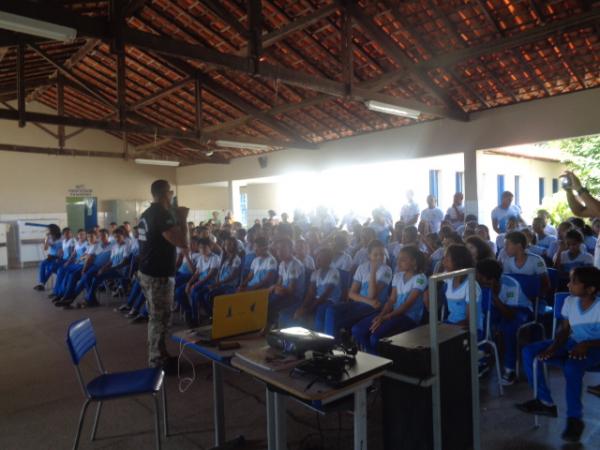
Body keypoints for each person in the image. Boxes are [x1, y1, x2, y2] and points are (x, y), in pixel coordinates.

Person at [517, 267, 600, 443]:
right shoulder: (570, 301)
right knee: (530, 352)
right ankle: (545, 402)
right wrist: (552, 348)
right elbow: (564, 331)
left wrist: (586, 344)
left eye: (574, 282)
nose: (568, 284)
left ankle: (574, 419)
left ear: (591, 289)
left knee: (572, 367)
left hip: (595, 348)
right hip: (571, 343)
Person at [137, 179, 189, 371]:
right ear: (165, 194)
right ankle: (157, 361)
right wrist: (182, 219)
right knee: (160, 319)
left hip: (147, 271)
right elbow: (183, 242)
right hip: (158, 275)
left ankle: (159, 354)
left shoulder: (147, 214)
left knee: (156, 317)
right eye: (171, 192)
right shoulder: (161, 214)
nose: (172, 195)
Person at [352, 246, 427, 354]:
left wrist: (385, 317)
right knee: (357, 330)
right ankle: (370, 356)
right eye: (398, 258)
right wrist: (381, 315)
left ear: (414, 262)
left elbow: (406, 305)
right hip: (393, 314)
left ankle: (378, 363)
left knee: (375, 337)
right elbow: (392, 300)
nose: (398, 262)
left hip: (408, 317)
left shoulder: (420, 278)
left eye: (403, 259)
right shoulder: (398, 276)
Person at [476, 258, 531, 385]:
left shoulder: (511, 285)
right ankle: (483, 361)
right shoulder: (480, 285)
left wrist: (494, 296)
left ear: (488, 278)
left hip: (519, 310)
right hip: (499, 309)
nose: (476, 276)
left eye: (479, 274)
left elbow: (510, 314)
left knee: (508, 329)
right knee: (482, 322)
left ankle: (509, 369)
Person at [322, 240, 392, 338]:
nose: (379, 257)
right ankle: (329, 343)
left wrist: (373, 271)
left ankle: (332, 345)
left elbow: (372, 295)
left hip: (374, 307)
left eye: (382, 254)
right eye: (375, 255)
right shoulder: (362, 267)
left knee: (337, 321)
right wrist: (368, 301)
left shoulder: (386, 270)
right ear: (369, 255)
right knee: (330, 310)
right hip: (364, 303)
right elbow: (351, 293)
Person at [440, 244, 483, 337]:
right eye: (444, 259)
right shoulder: (448, 279)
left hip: (470, 330)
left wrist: (447, 330)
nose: (443, 262)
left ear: (458, 262)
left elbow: (469, 322)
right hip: (451, 324)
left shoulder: (471, 285)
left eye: (447, 260)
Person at [292, 247, 341, 330]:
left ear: (328, 260)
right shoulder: (315, 273)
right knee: (298, 311)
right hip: (318, 300)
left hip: (330, 301)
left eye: (321, 258)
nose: (317, 260)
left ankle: (320, 339)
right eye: (317, 257)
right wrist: (302, 307)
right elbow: (310, 293)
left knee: (320, 312)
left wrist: (309, 309)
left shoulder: (334, 272)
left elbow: (326, 294)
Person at [269, 238, 305, 328]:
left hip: (295, 297)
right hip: (283, 293)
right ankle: (270, 325)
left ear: (291, 250)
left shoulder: (295, 265)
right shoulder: (282, 264)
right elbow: (279, 282)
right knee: (265, 299)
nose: (279, 252)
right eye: (278, 249)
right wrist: (274, 287)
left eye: (283, 249)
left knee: (271, 303)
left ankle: (273, 326)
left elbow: (291, 290)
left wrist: (277, 288)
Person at [34, 224, 63, 291]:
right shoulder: (49, 237)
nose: (47, 231)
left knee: (51, 267)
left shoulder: (62, 236)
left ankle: (42, 284)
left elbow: (63, 247)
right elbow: (45, 248)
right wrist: (46, 239)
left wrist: (60, 252)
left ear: (53, 230)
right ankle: (41, 283)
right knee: (42, 264)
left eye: (48, 229)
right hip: (51, 256)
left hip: (59, 257)